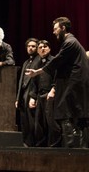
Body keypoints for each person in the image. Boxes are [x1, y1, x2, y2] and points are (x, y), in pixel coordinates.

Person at [26, 17, 89, 148]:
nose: (54, 32)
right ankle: (82, 150)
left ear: (63, 28)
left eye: (55, 29)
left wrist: (37, 72)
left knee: (65, 113)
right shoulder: (71, 42)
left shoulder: (70, 42)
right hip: (75, 84)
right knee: (80, 115)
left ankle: (72, 151)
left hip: (74, 84)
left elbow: (57, 61)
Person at [28, 40, 61, 147]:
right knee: (39, 123)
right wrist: (33, 97)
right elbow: (34, 81)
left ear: (50, 49)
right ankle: (40, 147)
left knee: (51, 123)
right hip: (40, 95)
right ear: (38, 50)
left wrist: (53, 89)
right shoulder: (37, 63)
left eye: (45, 47)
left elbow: (59, 77)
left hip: (50, 95)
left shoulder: (54, 61)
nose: (43, 49)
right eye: (40, 47)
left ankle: (54, 146)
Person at [15, 37, 39, 147]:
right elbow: (21, 81)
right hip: (24, 94)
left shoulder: (39, 60)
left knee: (32, 121)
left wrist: (34, 96)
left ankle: (32, 144)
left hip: (31, 93)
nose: (30, 48)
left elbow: (38, 80)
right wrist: (17, 98)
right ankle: (26, 143)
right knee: (24, 121)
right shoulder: (26, 62)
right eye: (29, 46)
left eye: (33, 46)